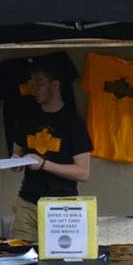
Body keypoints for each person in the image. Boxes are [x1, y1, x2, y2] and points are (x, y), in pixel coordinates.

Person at [10, 62, 93, 243]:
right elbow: (16, 155)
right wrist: (15, 162)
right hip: (28, 203)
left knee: (59, 263)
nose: (34, 88)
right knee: (18, 258)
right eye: (32, 84)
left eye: (40, 83)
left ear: (55, 85)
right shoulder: (26, 118)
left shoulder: (73, 123)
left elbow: (83, 172)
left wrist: (44, 164)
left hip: (62, 207)